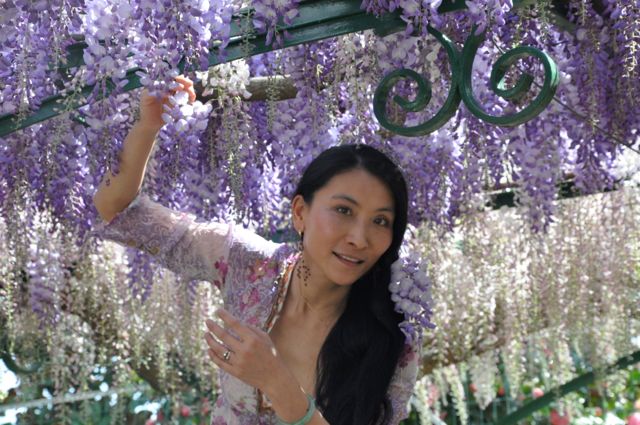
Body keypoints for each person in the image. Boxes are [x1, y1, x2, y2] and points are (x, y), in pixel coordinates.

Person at [93, 76, 422, 425]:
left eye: (381, 221)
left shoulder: (394, 338)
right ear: (300, 213)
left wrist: (276, 381)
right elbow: (119, 210)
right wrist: (148, 125)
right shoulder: (249, 263)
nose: (359, 237)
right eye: (344, 211)